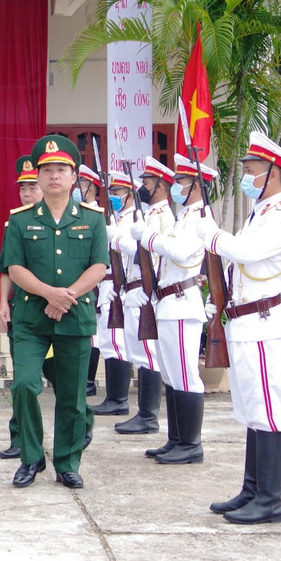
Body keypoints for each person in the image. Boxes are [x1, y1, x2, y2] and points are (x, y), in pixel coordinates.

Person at [195, 131, 281, 524]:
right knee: (251, 410)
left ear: (273, 174)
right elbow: (236, 266)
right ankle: (252, 490)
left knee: (269, 411)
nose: (247, 177)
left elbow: (246, 252)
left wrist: (212, 234)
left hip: (263, 325)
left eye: (252, 170)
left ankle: (270, 501)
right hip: (243, 323)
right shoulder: (260, 215)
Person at [1, 135, 108, 489]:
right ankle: (31, 458)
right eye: (46, 170)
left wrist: (68, 295)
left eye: (61, 169)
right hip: (32, 319)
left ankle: (67, 462)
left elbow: (100, 267)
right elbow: (14, 268)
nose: (53, 176)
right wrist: (49, 294)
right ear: (38, 177)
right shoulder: (20, 220)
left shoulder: (93, 220)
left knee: (73, 397)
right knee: (24, 385)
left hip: (75, 318)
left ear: (73, 176)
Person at [132, 154, 215, 464]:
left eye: (181, 181)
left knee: (185, 375)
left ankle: (191, 444)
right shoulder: (184, 217)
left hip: (182, 304)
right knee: (170, 374)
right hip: (168, 303)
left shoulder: (199, 219)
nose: (175, 186)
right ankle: (176, 438)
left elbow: (181, 253)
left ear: (196, 185)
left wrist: (149, 237)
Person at [113, 157, 176, 436]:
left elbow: (149, 253)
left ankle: (149, 415)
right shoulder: (151, 214)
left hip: (146, 289)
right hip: (136, 288)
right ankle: (143, 412)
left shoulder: (163, 216)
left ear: (161, 186)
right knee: (140, 354)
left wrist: (118, 240)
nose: (143, 186)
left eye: (148, 182)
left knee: (148, 355)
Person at [0, 155, 40, 461]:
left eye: (32, 187)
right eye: (23, 188)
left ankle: (81, 425)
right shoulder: (14, 223)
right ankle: (20, 437)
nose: (26, 193)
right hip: (23, 311)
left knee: (64, 382)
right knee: (22, 380)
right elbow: (6, 268)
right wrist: (2, 304)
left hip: (58, 312)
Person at [91, 171, 136, 417]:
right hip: (108, 285)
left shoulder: (132, 220)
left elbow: (132, 248)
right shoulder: (119, 219)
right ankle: (112, 397)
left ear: (130, 194)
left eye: (118, 193)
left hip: (120, 286)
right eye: (112, 193)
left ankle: (119, 399)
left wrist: (113, 234)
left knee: (116, 343)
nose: (114, 198)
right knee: (107, 342)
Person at [75, 165, 104, 396]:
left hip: (99, 282)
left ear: (91, 188)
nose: (76, 189)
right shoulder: (74, 212)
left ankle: (88, 382)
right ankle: (84, 379)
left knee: (93, 334)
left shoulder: (96, 216)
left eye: (81, 185)